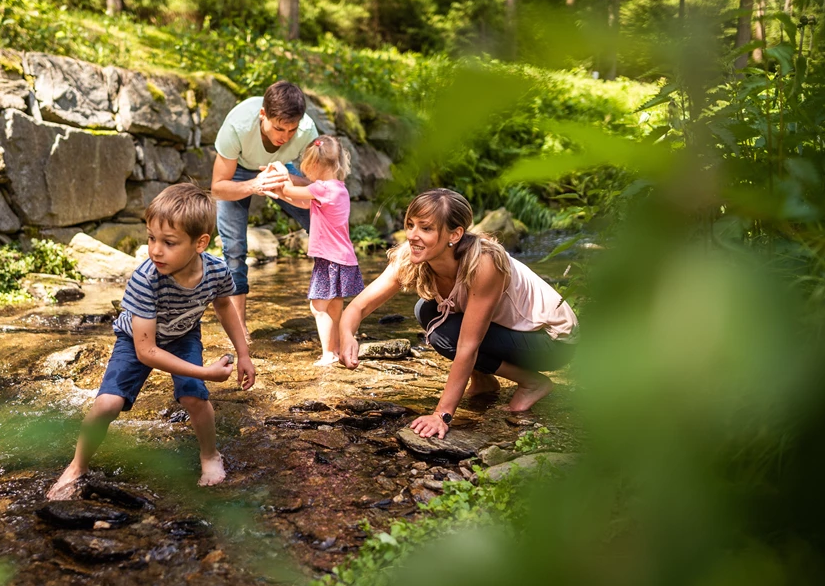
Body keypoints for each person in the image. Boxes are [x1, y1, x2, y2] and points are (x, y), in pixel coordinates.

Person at [46, 184, 256, 499]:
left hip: (183, 334)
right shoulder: (146, 279)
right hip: (136, 341)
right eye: (151, 238)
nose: (155, 250)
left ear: (200, 243)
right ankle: (77, 466)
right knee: (107, 404)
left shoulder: (215, 270)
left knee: (194, 398)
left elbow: (224, 304)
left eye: (169, 242)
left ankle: (210, 455)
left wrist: (243, 354)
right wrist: (207, 373)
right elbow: (146, 352)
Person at [337, 188, 577, 437]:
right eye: (410, 225)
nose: (412, 235)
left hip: (551, 342)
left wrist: (442, 414)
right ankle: (484, 382)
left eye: (426, 228)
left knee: (445, 334)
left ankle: (532, 382)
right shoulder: (412, 257)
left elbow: (467, 346)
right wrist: (347, 334)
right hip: (516, 334)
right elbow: (359, 306)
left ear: (455, 234)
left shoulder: (484, 263)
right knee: (427, 309)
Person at [210, 81, 319, 333]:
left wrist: (286, 179)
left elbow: (320, 183)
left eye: (292, 130)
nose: (285, 137)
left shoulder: (307, 130)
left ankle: (333, 312)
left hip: (281, 168)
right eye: (280, 128)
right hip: (236, 171)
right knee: (235, 250)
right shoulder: (237, 125)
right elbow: (217, 187)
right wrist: (255, 185)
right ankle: (239, 332)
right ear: (263, 115)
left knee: (321, 223)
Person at [273, 136, 365, 365]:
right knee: (334, 307)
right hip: (342, 258)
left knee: (317, 307)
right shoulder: (337, 188)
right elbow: (302, 202)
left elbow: (291, 190)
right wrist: (279, 193)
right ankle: (333, 350)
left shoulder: (321, 188)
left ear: (314, 166)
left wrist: (279, 171)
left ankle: (327, 354)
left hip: (329, 258)